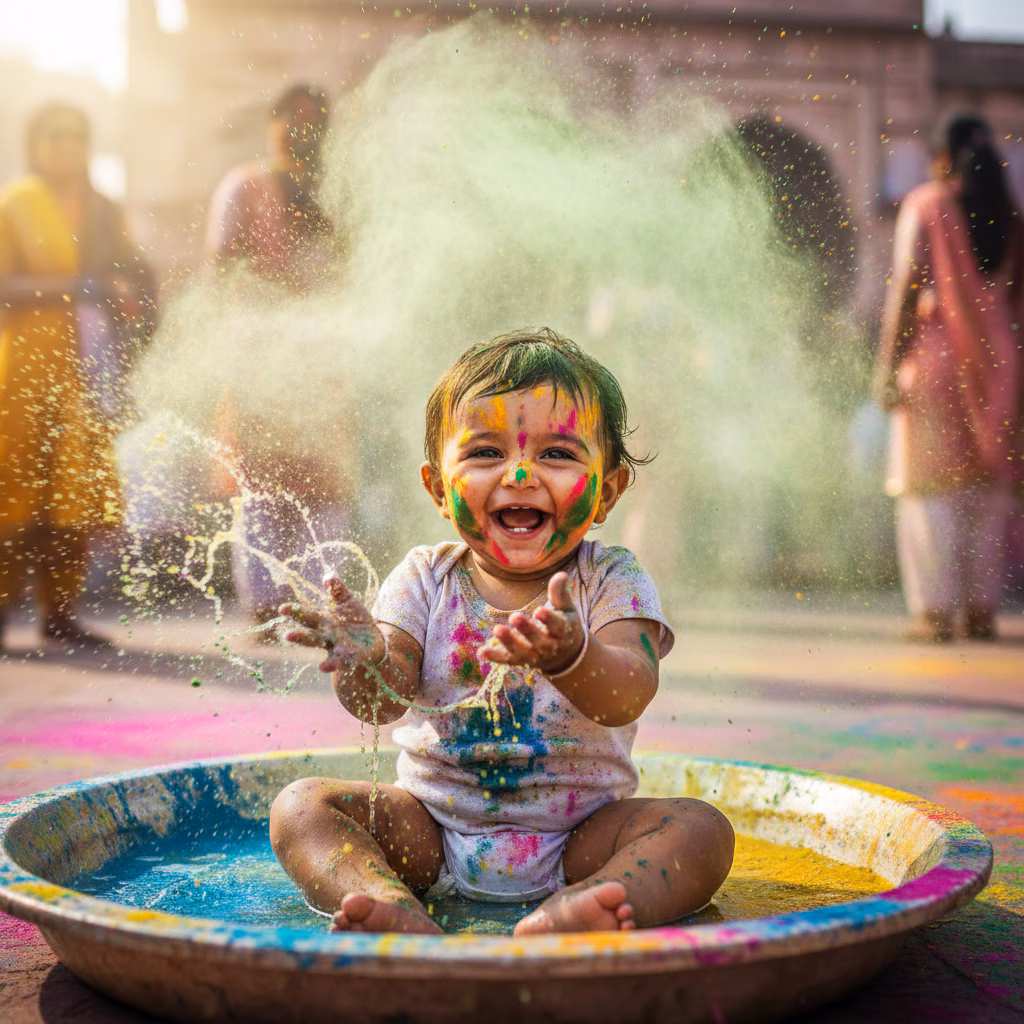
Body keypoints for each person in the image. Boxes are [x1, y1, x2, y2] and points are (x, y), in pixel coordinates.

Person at [270, 328, 735, 935]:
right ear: (438, 487)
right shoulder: (422, 578)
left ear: (608, 492)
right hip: (431, 831)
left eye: (559, 454)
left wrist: (573, 657)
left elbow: (630, 692)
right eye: (486, 453)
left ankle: (589, 904)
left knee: (701, 831)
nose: (519, 474)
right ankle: (390, 904)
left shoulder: (611, 579)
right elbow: (380, 704)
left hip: (580, 838)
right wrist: (365, 660)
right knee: (302, 808)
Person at [0, 103, 155, 652]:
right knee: (16, 495)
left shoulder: (102, 208)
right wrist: (74, 286)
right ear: (34, 144)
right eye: (53, 136)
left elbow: (133, 270)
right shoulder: (15, 203)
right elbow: (3, 284)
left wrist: (131, 295)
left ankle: (60, 613)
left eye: (75, 136)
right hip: (24, 370)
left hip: (87, 372)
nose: (65, 146)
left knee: (76, 498)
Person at [205, 83, 351, 633]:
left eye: (314, 121)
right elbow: (219, 271)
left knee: (326, 484)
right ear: (271, 125)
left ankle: (320, 603)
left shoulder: (338, 197)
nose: (300, 130)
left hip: (323, 362)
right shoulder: (245, 187)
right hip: (258, 360)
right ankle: (264, 609)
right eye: (291, 119)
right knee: (262, 484)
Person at [873, 111, 1023, 643]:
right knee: (988, 494)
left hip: (936, 366)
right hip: (1003, 365)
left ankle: (935, 612)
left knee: (929, 495)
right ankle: (981, 610)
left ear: (940, 159)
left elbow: (907, 291)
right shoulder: (1012, 216)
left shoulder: (926, 205)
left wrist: (887, 369)